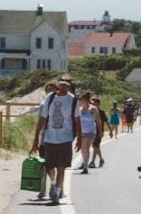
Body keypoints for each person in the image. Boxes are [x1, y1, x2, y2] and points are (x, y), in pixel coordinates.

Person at [30, 77, 80, 205]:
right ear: (58, 85)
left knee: (61, 167)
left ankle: (57, 193)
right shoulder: (50, 98)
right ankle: (53, 183)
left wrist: (79, 138)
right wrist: (36, 139)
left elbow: (77, 120)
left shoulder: (73, 100)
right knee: (49, 166)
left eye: (66, 84)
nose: (63, 86)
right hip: (49, 138)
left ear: (69, 86)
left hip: (66, 139)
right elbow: (42, 118)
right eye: (61, 83)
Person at [32, 82, 58, 200]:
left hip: (58, 139)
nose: (50, 92)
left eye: (52, 90)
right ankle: (43, 189)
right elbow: (40, 122)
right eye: (48, 90)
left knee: (53, 166)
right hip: (45, 139)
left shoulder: (60, 104)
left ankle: (54, 184)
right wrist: (37, 137)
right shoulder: (43, 104)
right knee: (44, 165)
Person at [76, 92, 98, 173]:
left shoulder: (92, 109)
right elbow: (76, 121)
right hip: (81, 132)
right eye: (80, 100)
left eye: (82, 100)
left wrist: (100, 132)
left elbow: (98, 120)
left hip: (91, 132)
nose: (81, 102)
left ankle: (85, 167)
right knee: (82, 149)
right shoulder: (79, 109)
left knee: (86, 147)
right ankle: (84, 163)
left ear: (86, 100)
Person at [90, 97, 108, 167]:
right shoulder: (90, 111)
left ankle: (92, 162)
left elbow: (106, 121)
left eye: (94, 103)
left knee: (95, 146)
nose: (93, 104)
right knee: (96, 146)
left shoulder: (101, 112)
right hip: (91, 131)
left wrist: (110, 131)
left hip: (98, 131)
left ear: (98, 104)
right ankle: (101, 160)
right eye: (92, 103)